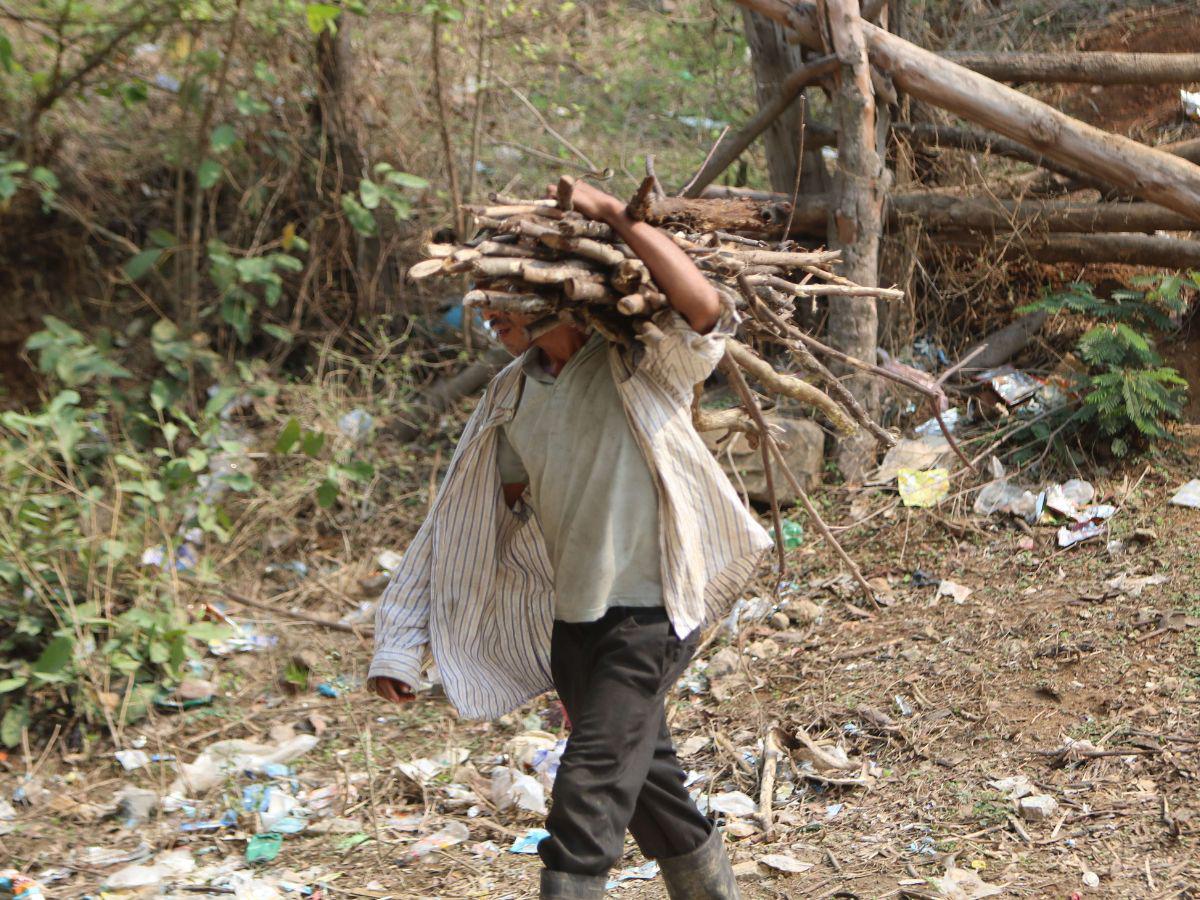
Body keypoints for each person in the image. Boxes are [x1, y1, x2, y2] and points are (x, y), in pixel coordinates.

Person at [369, 179, 772, 899]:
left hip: (650, 615)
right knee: (651, 786)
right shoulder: (513, 394)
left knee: (586, 794)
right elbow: (459, 519)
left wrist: (617, 216)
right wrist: (400, 638)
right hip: (574, 627)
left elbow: (707, 312)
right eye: (486, 303)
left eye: (503, 303)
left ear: (553, 299)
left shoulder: (637, 366)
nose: (489, 316)